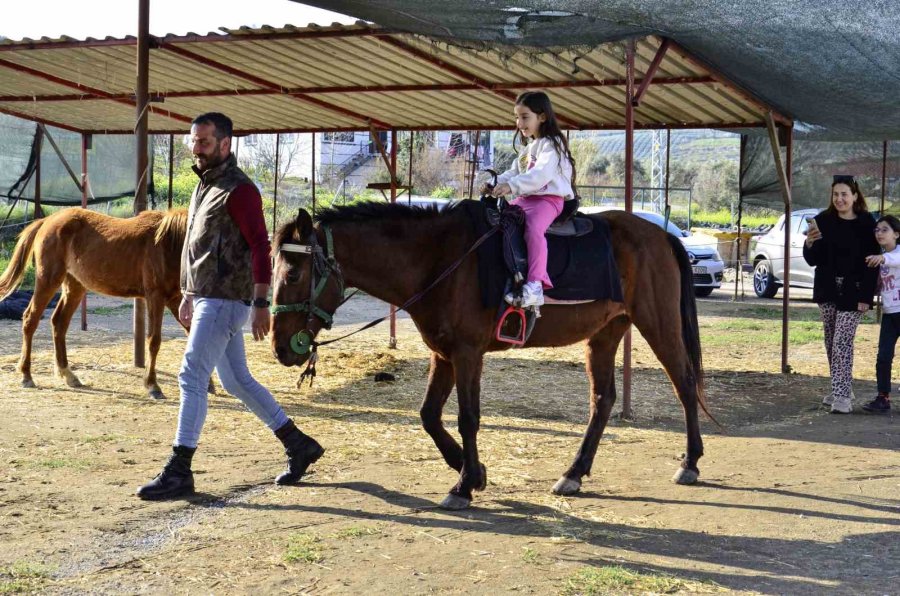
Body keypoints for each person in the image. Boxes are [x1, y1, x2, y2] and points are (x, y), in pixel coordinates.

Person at [137, 112, 324, 500]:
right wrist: (188, 293)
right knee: (236, 381)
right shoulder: (204, 186)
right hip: (206, 296)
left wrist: (260, 302)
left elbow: (259, 245)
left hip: (226, 299)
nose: (197, 148)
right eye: (193, 141)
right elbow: (197, 246)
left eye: (204, 142)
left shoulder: (240, 191)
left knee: (191, 377)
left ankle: (179, 469)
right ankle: (298, 444)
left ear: (225, 144)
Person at [487, 90, 576, 308]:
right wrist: (494, 182)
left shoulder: (552, 145)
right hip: (526, 199)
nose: (519, 123)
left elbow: (540, 175)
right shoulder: (527, 150)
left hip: (549, 200)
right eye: (517, 117)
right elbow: (514, 172)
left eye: (525, 117)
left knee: (533, 228)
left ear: (542, 117)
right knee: (500, 223)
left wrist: (511, 186)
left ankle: (535, 285)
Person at [802, 175, 879, 414]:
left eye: (844, 194)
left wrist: (866, 297)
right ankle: (839, 386)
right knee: (830, 340)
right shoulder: (823, 221)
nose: (840, 199)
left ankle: (843, 396)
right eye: (836, 194)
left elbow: (871, 263)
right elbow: (814, 260)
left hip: (853, 291)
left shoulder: (867, 223)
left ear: (855, 196)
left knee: (842, 342)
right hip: (827, 288)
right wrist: (809, 243)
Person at [863, 214, 900, 414]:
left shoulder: (891, 255)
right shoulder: (880, 256)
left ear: (896, 234)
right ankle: (882, 397)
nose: (879, 233)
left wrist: (882, 258)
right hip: (889, 313)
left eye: (884, 230)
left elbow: (895, 259)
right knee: (883, 357)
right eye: (877, 230)